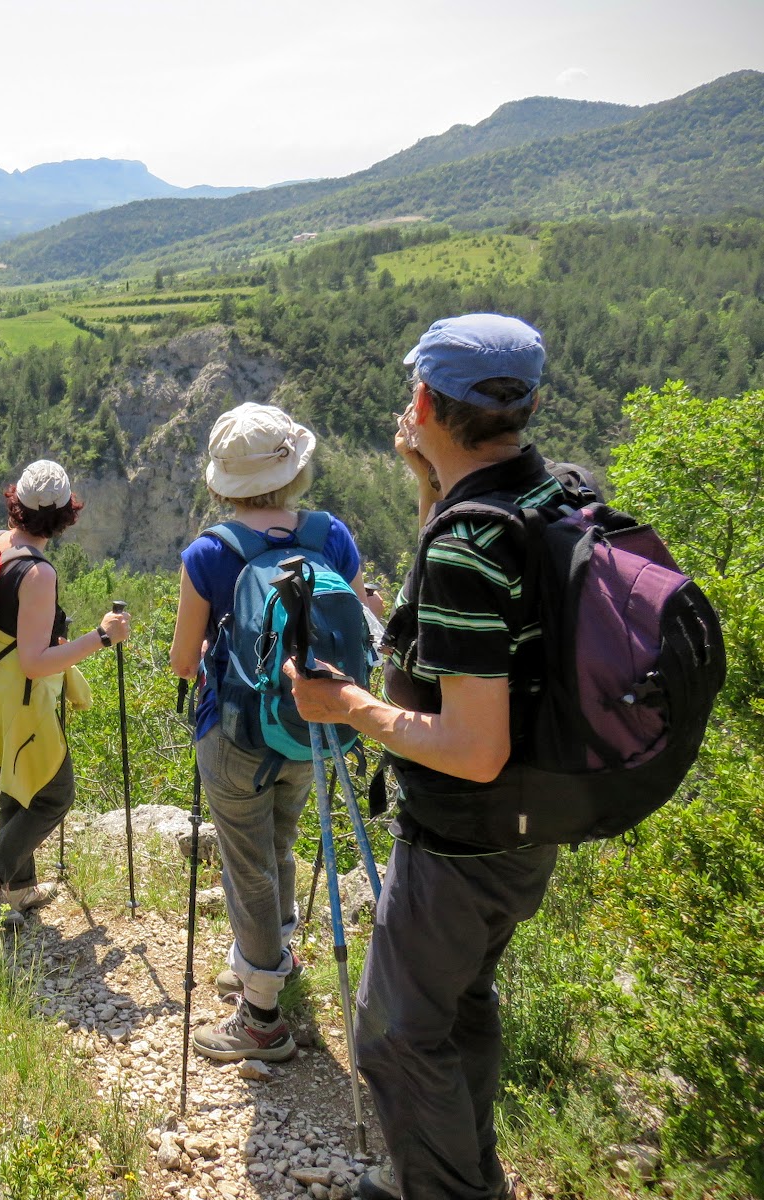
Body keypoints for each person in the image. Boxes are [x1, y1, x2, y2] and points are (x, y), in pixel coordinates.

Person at [286, 314, 566, 1200]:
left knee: (394, 1035)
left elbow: (473, 748)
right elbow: (452, 628)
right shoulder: (540, 496)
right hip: (533, 822)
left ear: (423, 400)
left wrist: (350, 707)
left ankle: (444, 1191)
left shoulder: (468, 544)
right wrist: (431, 483)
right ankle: (457, 1171)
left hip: (463, 837)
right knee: (460, 1004)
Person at [167, 403, 381, 1064]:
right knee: (281, 840)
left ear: (222, 483)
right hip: (314, 724)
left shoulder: (210, 553)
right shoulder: (331, 536)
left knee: (247, 865)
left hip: (234, 733)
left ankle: (260, 1015)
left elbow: (182, 661)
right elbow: (360, 625)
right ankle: (267, 958)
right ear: (295, 471)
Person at [0, 460, 131, 927]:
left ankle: (19, 890)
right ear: (66, 514)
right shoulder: (38, 574)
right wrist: (100, 638)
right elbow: (34, 661)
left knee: (19, 787)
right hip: (20, 702)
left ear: (16, 503)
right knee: (53, 796)